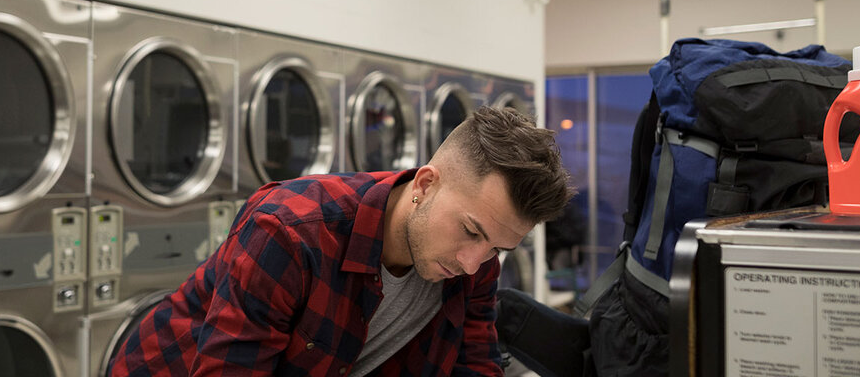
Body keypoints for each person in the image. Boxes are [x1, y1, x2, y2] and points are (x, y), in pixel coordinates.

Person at [110, 106, 574, 376]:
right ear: (426, 184)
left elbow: (476, 366)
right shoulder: (290, 232)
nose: (474, 263)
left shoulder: (476, 262)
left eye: (497, 248)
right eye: (471, 231)